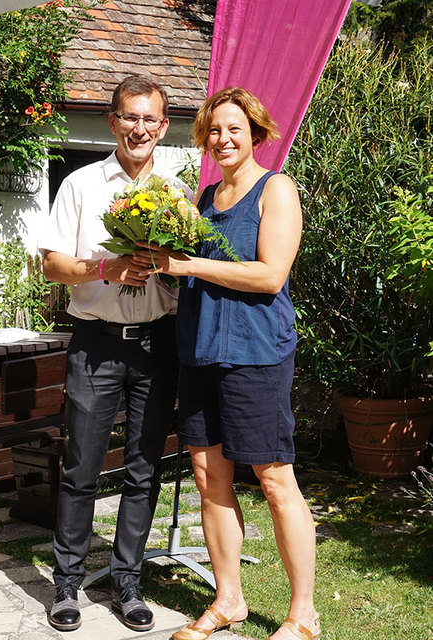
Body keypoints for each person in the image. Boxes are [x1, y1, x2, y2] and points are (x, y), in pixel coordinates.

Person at [132, 87, 320, 640]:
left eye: (234, 128)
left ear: (255, 131)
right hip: (200, 351)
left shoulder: (275, 189)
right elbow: (190, 273)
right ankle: (229, 599)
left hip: (255, 355)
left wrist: (189, 265)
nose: (223, 139)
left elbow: (269, 276)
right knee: (208, 476)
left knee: (273, 478)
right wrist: (155, 260)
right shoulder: (205, 197)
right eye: (214, 131)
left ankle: (303, 613)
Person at [39, 75, 183, 633]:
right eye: (129, 117)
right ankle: (68, 585)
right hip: (96, 344)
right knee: (81, 469)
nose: (139, 128)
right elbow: (52, 265)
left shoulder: (177, 192)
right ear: (113, 120)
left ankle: (127, 580)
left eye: (150, 119)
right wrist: (105, 266)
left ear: (163, 126)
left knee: (144, 469)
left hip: (156, 344)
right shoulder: (80, 184)